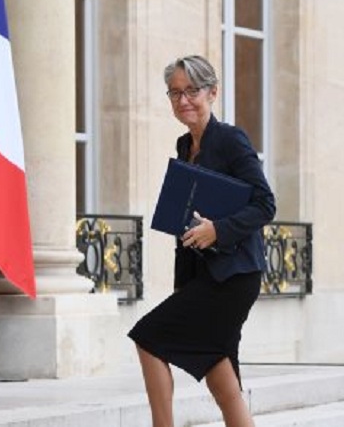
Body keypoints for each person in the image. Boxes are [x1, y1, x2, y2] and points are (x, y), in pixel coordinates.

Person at [128, 55, 276, 427]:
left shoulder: (230, 139)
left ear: (213, 92)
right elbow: (185, 225)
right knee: (219, 372)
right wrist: (182, 286)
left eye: (192, 91)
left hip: (233, 275)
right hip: (205, 277)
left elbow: (265, 203)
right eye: (175, 92)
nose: (183, 100)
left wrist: (218, 230)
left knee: (148, 337)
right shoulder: (185, 146)